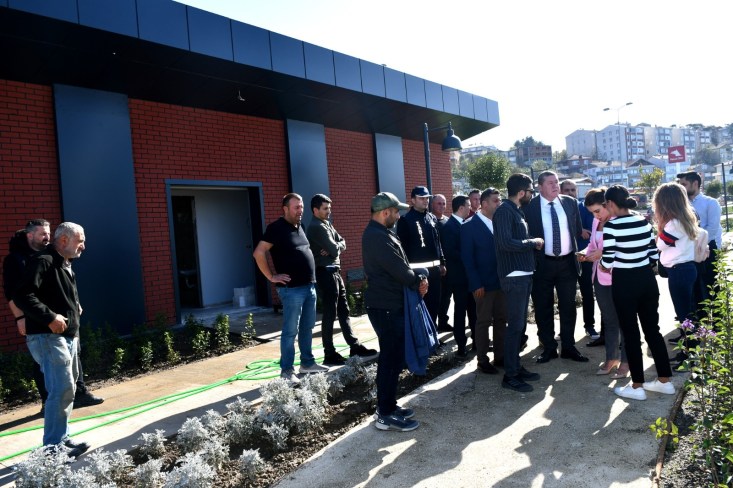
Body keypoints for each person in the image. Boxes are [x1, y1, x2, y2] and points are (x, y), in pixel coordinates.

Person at [2, 220, 103, 415]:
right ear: (30, 235)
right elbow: (15, 293)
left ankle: (78, 394)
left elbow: (65, 283)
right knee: (50, 373)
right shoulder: (19, 260)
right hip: (42, 326)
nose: (47, 237)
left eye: (48, 233)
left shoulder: (57, 255)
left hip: (65, 324)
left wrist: (74, 303)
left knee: (72, 364)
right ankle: (48, 404)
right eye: (42, 234)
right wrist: (20, 318)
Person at [14, 222, 91, 458]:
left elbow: (56, 293)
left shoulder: (63, 262)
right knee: (60, 389)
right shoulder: (43, 261)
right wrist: (50, 317)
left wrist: (74, 305)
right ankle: (53, 448)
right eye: (80, 241)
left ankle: (61, 439)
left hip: (67, 336)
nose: (83, 246)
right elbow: (22, 295)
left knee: (67, 389)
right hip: (48, 337)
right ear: (64, 240)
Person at [600, 185, 674, 401]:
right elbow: (653, 254)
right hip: (647, 280)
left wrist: (602, 265)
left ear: (610, 203)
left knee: (631, 333)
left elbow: (608, 259)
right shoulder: (643, 221)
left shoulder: (611, 226)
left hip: (624, 282)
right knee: (653, 330)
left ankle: (637, 385)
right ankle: (664, 381)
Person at [362, 192, 427, 431]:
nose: (399, 216)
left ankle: (388, 405)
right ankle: (385, 414)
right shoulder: (376, 236)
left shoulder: (382, 233)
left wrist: (418, 276)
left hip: (390, 305)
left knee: (394, 358)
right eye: (396, 212)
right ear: (385, 212)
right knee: (390, 360)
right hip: (385, 307)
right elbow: (399, 270)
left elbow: (401, 266)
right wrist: (419, 279)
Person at [253, 193, 328, 384]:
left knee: (307, 327)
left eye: (301, 207)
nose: (300, 211)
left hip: (309, 286)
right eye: (296, 207)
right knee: (290, 331)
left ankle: (307, 364)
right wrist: (271, 276)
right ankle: (287, 370)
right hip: (292, 289)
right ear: (285, 209)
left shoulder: (300, 226)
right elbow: (259, 252)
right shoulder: (276, 228)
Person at [525, 171, 588, 364]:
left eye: (557, 182)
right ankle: (549, 347)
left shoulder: (570, 203)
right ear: (540, 187)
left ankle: (568, 346)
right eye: (550, 183)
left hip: (567, 263)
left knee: (568, 306)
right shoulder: (530, 207)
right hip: (542, 264)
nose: (555, 186)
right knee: (543, 307)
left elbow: (577, 229)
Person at [306, 194, 376, 365]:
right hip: (325, 273)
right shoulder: (317, 227)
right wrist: (334, 248)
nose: (329, 211)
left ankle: (354, 346)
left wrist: (334, 247)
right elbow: (335, 249)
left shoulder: (326, 223)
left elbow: (341, 242)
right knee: (330, 313)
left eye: (329, 208)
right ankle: (329, 353)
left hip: (335, 272)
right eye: (325, 208)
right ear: (315, 210)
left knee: (344, 310)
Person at [493, 174, 543, 393]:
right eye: (531, 191)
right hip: (514, 276)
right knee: (514, 326)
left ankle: (515, 367)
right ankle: (510, 375)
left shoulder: (515, 210)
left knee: (519, 325)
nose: (532, 195)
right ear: (522, 192)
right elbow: (504, 243)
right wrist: (533, 242)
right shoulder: (504, 211)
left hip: (522, 274)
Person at [579, 189, 629, 378]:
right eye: (592, 212)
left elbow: (626, 249)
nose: (595, 216)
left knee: (626, 321)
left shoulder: (621, 222)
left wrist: (602, 253)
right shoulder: (596, 222)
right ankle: (611, 358)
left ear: (608, 204)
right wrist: (585, 253)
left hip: (620, 277)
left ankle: (626, 361)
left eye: (598, 211)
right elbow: (593, 245)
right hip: (599, 277)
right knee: (609, 320)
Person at [653, 182, 699, 367]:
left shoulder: (673, 224)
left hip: (678, 272)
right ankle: (692, 350)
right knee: (688, 312)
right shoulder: (685, 219)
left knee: (684, 315)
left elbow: (660, 245)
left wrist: (660, 227)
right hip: (686, 270)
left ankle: (688, 356)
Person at [461, 188, 507, 375]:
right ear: (484, 203)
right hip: (483, 285)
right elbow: (467, 259)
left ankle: (500, 356)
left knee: (501, 319)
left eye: (500, 200)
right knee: (483, 321)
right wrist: (476, 284)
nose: (499, 204)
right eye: (496, 201)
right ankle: (482, 360)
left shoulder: (500, 223)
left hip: (501, 282)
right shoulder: (469, 226)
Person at [675, 171, 722, 323]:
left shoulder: (711, 203)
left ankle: (718, 323)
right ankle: (698, 324)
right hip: (689, 253)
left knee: (711, 286)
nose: (681, 188)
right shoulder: (681, 205)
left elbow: (712, 229)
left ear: (695, 183)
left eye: (684, 184)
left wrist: (693, 241)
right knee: (694, 291)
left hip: (708, 249)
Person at [396, 186, 445, 326]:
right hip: (418, 273)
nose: (425, 201)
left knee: (435, 305)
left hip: (435, 271)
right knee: (421, 309)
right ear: (413, 200)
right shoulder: (406, 220)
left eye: (427, 198)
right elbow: (402, 249)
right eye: (421, 198)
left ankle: (433, 334)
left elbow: (438, 242)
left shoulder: (432, 217)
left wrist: (442, 262)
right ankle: (423, 338)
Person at [560, 180, 600, 343]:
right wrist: (578, 230)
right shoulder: (557, 209)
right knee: (566, 298)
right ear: (560, 192)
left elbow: (592, 231)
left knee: (588, 294)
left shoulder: (584, 208)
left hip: (585, 258)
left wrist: (581, 231)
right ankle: (565, 331)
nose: (570, 193)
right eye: (567, 190)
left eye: (573, 190)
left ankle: (589, 326)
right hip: (565, 260)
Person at [438, 195, 472, 357]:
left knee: (473, 310)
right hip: (458, 277)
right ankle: (461, 345)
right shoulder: (449, 226)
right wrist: (469, 255)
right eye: (468, 205)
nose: (470, 209)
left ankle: (477, 342)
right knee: (460, 311)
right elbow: (450, 251)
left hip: (469, 276)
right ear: (461, 208)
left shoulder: (465, 224)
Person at [431, 194, 452, 332]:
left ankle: (443, 322)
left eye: (444, 203)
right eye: (439, 203)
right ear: (432, 204)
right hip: (435, 267)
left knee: (446, 296)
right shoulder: (429, 221)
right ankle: (433, 326)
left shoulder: (447, 221)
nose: (442, 206)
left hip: (448, 266)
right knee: (435, 298)